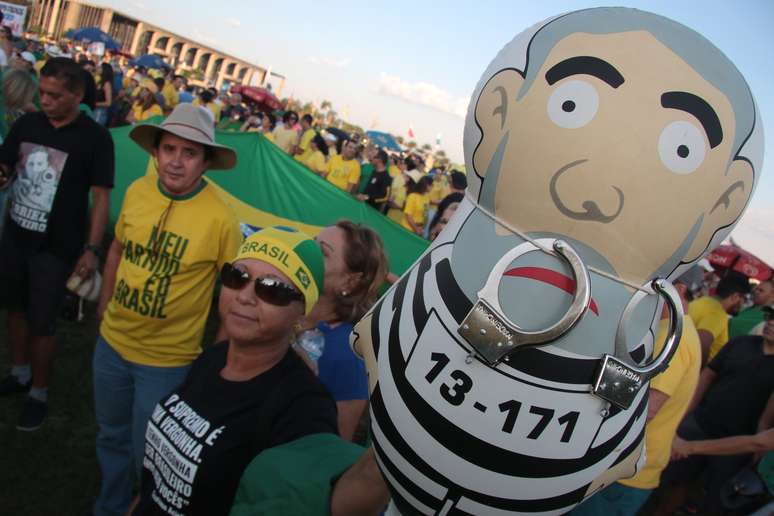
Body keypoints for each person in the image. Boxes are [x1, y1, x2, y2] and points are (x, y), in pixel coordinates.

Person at [92, 104, 242, 516]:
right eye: (169, 148)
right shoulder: (139, 191)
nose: (176, 160)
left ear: (206, 162)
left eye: (189, 152)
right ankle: (110, 505)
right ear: (155, 152)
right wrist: (105, 306)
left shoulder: (221, 220)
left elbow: (231, 294)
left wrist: (216, 355)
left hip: (167, 362)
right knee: (110, 436)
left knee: (153, 453)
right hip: (111, 346)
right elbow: (117, 249)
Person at [128, 226, 337, 515]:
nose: (245, 296)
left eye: (272, 289)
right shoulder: (213, 358)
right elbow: (156, 484)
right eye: (236, 276)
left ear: (302, 310)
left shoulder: (302, 406)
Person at [0, 57, 114, 431]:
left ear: (77, 96)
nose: (44, 100)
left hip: (56, 247)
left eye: (53, 95)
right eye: (41, 92)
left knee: (43, 322)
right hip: (16, 236)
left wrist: (92, 250)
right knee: (15, 308)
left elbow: (100, 198)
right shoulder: (28, 124)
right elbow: (7, 164)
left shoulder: (96, 138)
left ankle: (39, 392)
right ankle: (19, 374)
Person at [571, 271, 702, 516]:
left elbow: (649, 409)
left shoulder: (673, 337)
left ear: (678, 289)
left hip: (622, 474)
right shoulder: (673, 331)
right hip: (629, 469)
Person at [657, 306, 774, 514]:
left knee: (715, 500)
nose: (771, 322)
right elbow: (707, 377)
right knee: (673, 482)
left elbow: (765, 423)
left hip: (736, 446)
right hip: (700, 424)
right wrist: (683, 416)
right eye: (771, 317)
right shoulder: (740, 343)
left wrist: (756, 454)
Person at [298, 221, 388, 441]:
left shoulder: (349, 357)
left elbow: (329, 444)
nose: (307, 253)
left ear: (351, 280)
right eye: (311, 243)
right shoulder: (282, 306)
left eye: (322, 252)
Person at [688, 271, 751, 364]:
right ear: (735, 296)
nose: (743, 304)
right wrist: (699, 370)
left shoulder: (700, 301)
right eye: (744, 299)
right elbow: (702, 341)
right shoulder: (718, 314)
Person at [357, 148, 392, 213]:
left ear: (379, 160)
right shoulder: (374, 171)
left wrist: (367, 197)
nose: (371, 158)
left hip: (371, 211)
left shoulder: (386, 178)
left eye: (374, 157)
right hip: (361, 206)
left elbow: (385, 197)